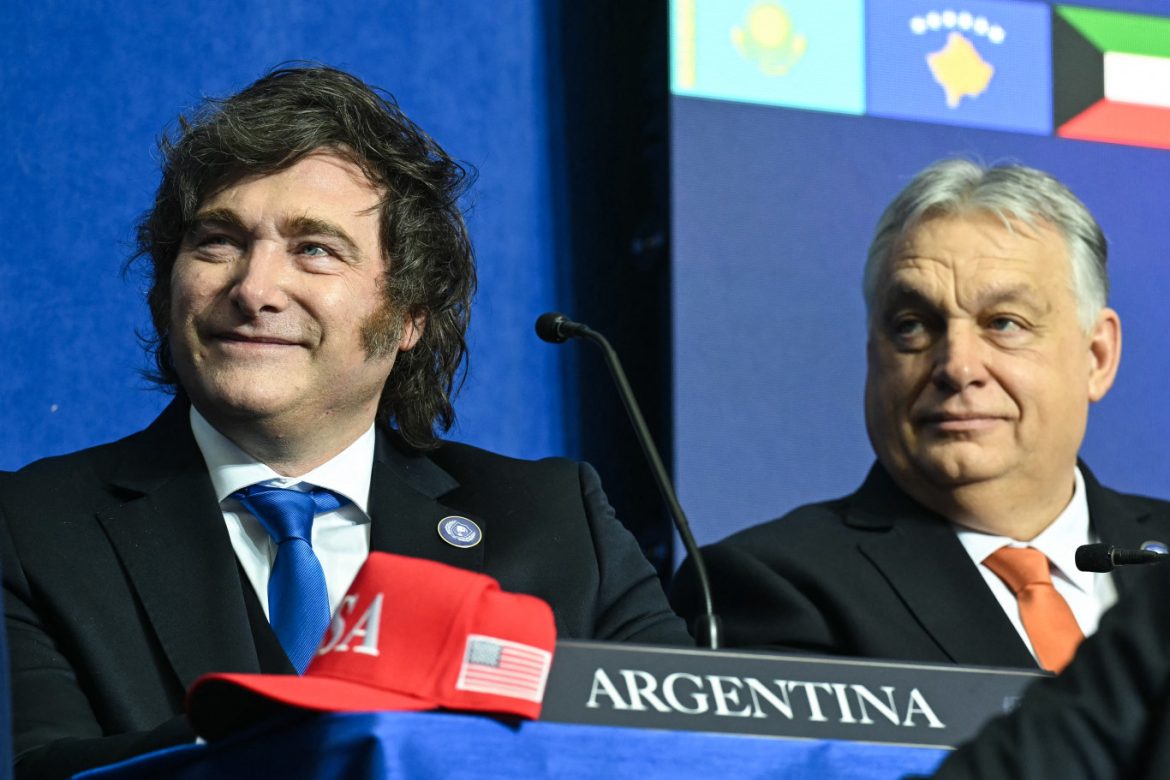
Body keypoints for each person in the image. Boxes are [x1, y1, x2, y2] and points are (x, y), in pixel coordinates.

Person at [0, 65, 690, 780]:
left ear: (410, 314)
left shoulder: (559, 525)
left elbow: (696, 754)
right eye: (218, 241)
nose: (255, 289)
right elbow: (37, 767)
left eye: (315, 250)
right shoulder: (27, 531)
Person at [672, 158, 1170, 670]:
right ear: (874, 355)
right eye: (912, 326)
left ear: (1097, 357)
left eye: (1004, 323)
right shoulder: (770, 586)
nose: (958, 367)